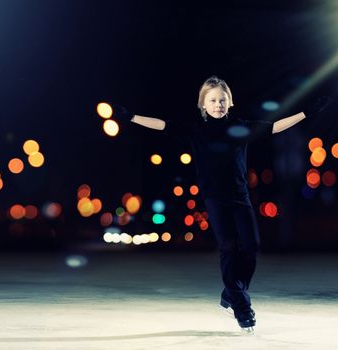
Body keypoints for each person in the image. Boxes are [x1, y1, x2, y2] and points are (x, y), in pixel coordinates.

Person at [127, 76, 310, 332]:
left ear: (229, 102)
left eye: (222, 100)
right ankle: (242, 310)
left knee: (252, 247)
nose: (218, 104)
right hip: (215, 198)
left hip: (240, 196)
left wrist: (306, 112)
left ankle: (229, 294)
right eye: (213, 100)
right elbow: (163, 125)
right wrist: (133, 117)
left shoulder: (240, 127)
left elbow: (274, 127)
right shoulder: (196, 130)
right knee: (228, 247)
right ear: (203, 103)